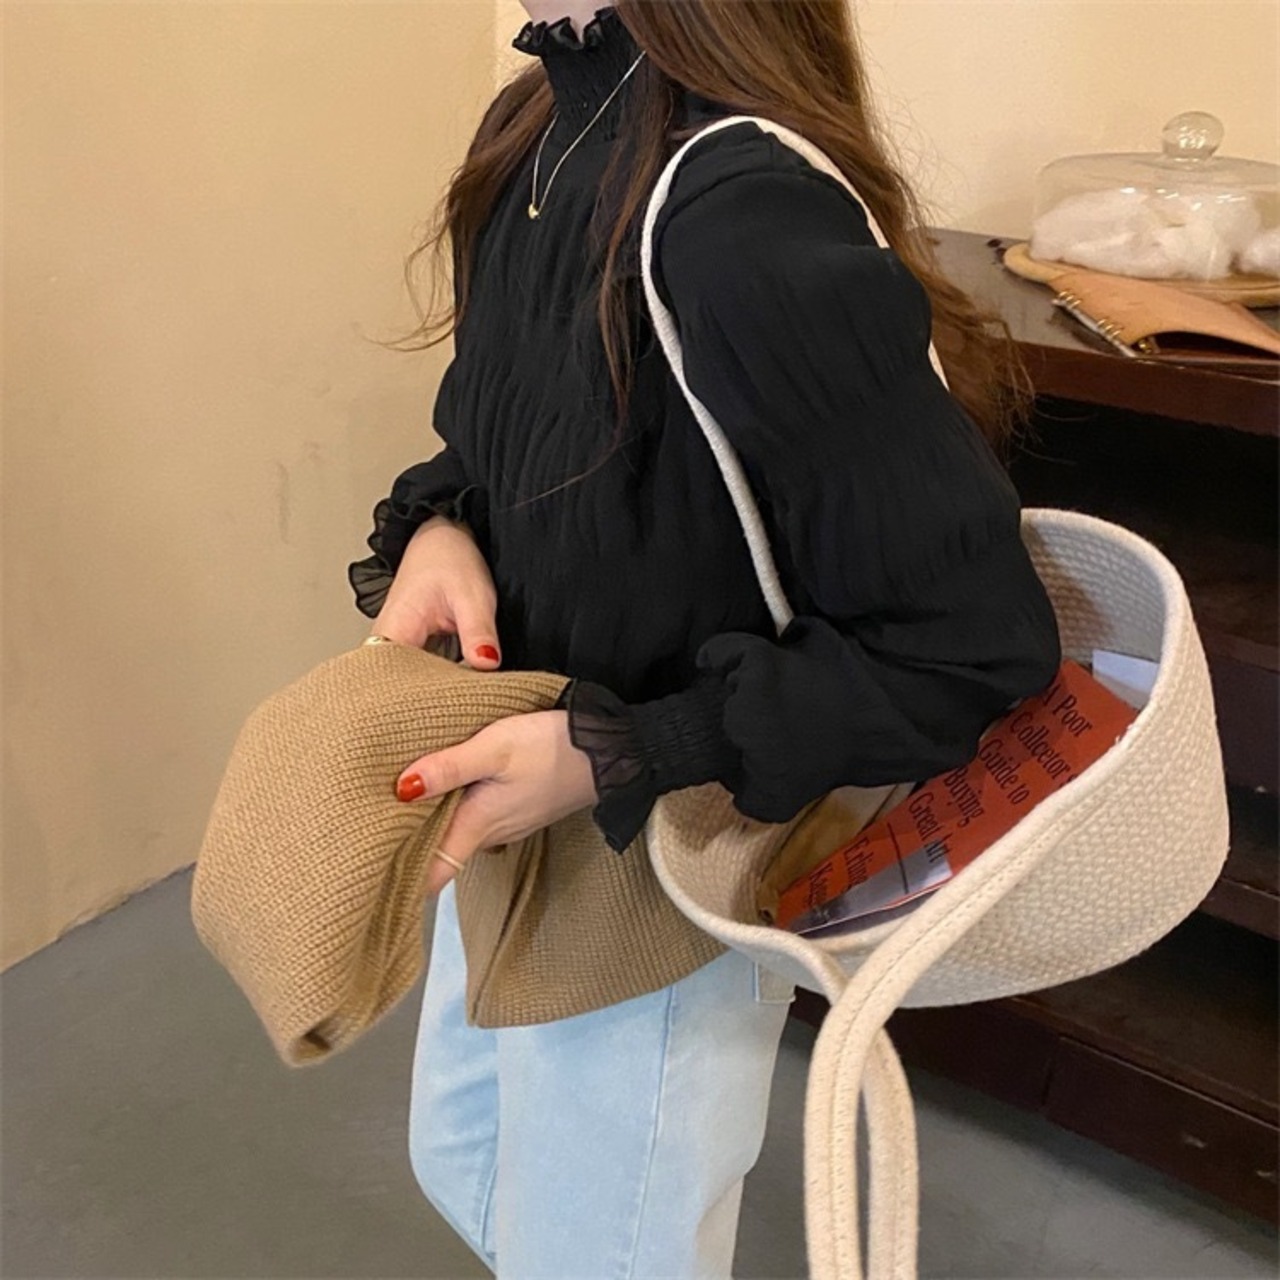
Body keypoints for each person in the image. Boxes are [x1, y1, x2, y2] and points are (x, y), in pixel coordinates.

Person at [348, 2, 1061, 1275]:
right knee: (466, 1164)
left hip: (663, 857)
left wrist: (622, 749)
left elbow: (970, 643)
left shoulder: (735, 215)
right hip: (515, 804)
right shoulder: (533, 130)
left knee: (591, 1251)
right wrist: (439, 525)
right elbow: (501, 436)